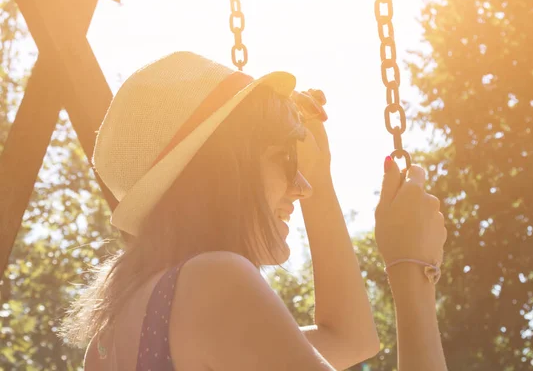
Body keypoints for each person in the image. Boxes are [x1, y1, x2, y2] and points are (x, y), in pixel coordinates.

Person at [59, 51, 448, 370]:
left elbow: (351, 339)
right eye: (282, 160)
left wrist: (317, 171)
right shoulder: (214, 283)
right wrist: (412, 269)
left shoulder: (114, 337)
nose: (303, 188)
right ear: (222, 171)